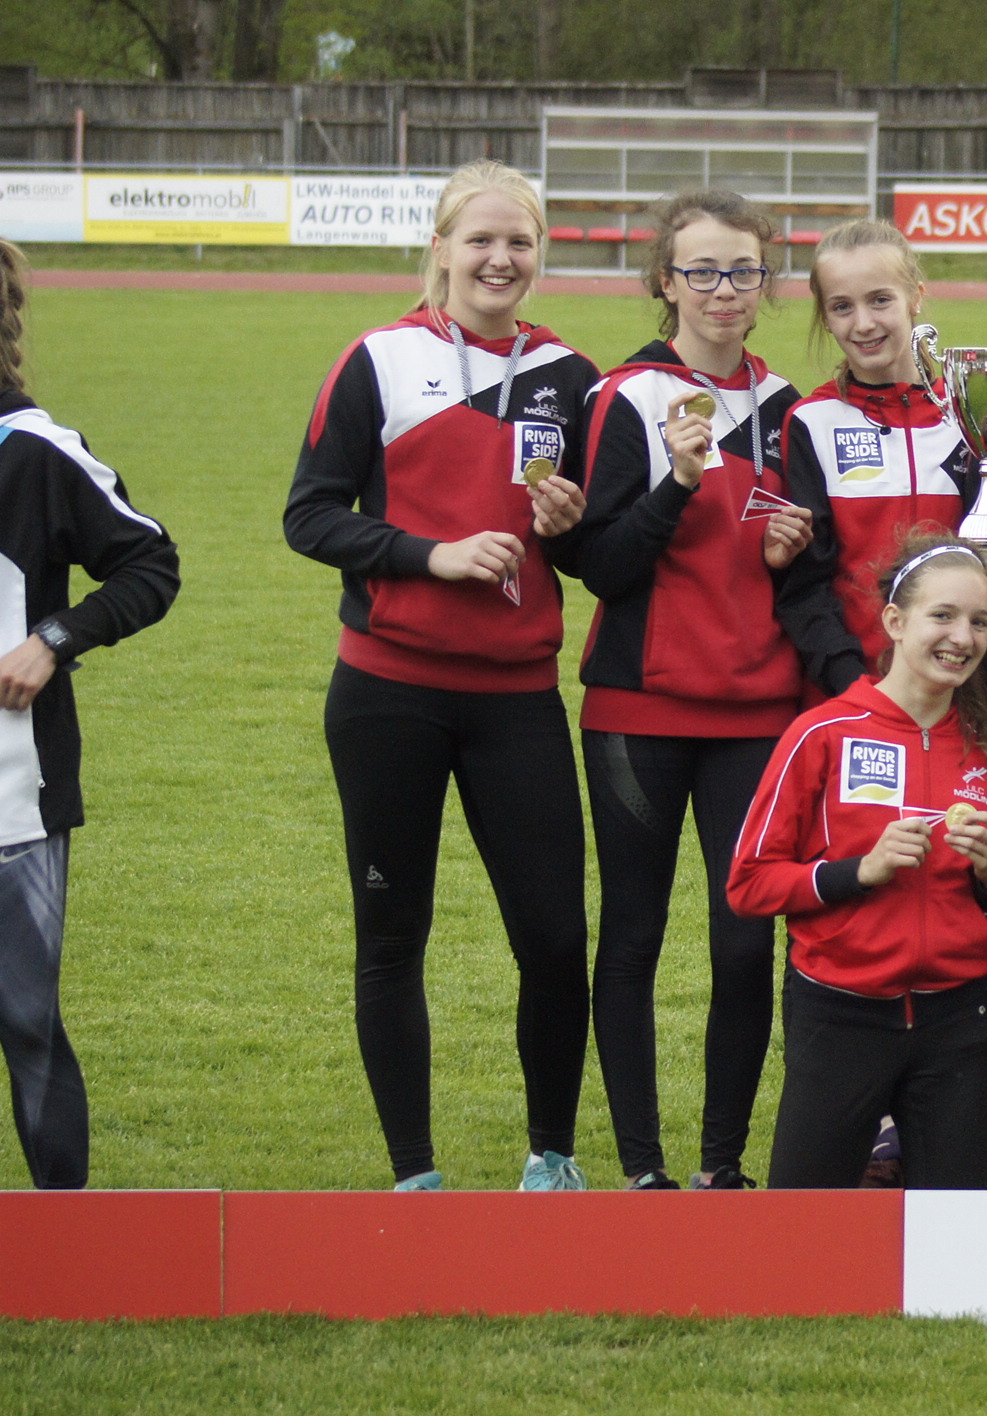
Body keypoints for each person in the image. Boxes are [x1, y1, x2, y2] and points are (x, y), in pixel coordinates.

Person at [283, 160, 598, 1192]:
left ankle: (551, 1158)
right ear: (442, 248)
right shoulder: (377, 359)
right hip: (387, 694)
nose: (501, 259)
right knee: (391, 935)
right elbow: (309, 516)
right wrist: (432, 555)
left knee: (554, 938)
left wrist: (570, 523)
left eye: (520, 242)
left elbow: (592, 544)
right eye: (482, 240)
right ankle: (413, 1175)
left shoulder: (572, 376)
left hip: (517, 699)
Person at [575, 190, 826, 1193]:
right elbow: (598, 566)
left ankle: (722, 1166)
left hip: (758, 717)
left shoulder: (792, 407)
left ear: (767, 283)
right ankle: (644, 1168)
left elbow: (808, 572)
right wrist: (675, 487)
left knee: (742, 945)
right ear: (665, 282)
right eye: (703, 272)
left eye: (744, 272)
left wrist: (792, 551)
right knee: (633, 935)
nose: (725, 290)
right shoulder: (625, 396)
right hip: (638, 713)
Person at [0, 231, 179, 1192]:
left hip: (8, 789)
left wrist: (52, 640)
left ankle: (66, 1230)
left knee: (26, 1020)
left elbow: (150, 564)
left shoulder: (34, 451)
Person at [728, 536, 987, 1190]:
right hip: (840, 1012)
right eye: (942, 616)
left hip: (958, 1022)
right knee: (804, 1229)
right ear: (894, 621)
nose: (963, 637)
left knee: (950, 1238)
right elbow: (748, 884)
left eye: (979, 621)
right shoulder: (822, 734)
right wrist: (857, 871)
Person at [778, 220, 977, 683]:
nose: (864, 323)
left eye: (880, 300)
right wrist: (849, 681)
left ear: (915, 297)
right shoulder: (812, 422)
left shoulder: (971, 413)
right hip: (850, 688)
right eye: (842, 307)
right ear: (825, 317)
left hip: (956, 685)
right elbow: (804, 585)